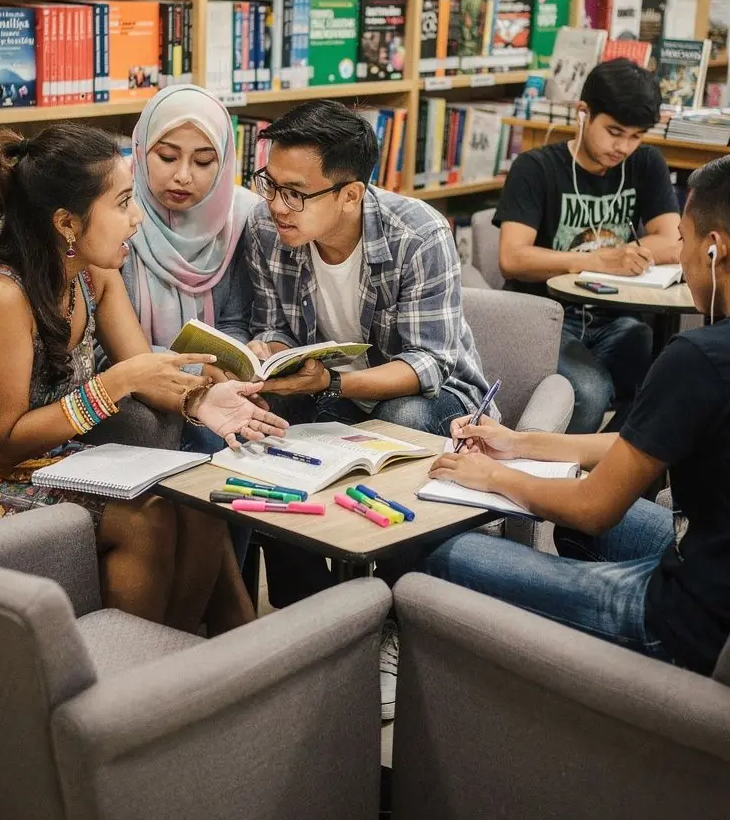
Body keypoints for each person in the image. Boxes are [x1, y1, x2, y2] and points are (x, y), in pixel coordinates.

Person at [0, 124, 286, 633]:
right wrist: (112, 385)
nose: (137, 218)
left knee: (200, 500)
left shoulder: (94, 274)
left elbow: (145, 372)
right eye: (124, 202)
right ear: (67, 223)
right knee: (145, 517)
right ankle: (131, 679)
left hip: (42, 462)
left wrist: (201, 399)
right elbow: (2, 444)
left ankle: (173, 665)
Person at [421, 153, 730, 676]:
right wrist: (521, 445)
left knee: (448, 558)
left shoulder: (696, 358)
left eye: (682, 240)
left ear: (714, 248)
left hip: (689, 620)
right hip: (709, 557)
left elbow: (593, 507)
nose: (680, 259)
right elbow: (646, 443)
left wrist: (493, 476)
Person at [245, 99, 491, 614]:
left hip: (433, 396)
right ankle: (312, 610)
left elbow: (429, 364)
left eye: (295, 193)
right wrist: (271, 354)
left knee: (403, 419)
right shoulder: (266, 230)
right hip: (326, 389)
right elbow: (272, 325)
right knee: (263, 428)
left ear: (351, 194)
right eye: (269, 183)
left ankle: (401, 607)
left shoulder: (418, 233)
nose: (276, 205)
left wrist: (331, 384)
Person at [494, 58, 680, 432]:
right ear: (583, 113)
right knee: (591, 392)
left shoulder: (645, 163)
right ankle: (561, 479)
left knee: (667, 387)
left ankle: (606, 476)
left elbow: (673, 242)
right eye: (614, 131)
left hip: (618, 315)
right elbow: (512, 258)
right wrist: (597, 260)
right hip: (547, 316)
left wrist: (627, 254)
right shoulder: (536, 167)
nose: (624, 147)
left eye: (636, 136)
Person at [124, 83, 257, 457]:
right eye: (167, 157)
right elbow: (104, 348)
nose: (184, 176)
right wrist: (197, 374)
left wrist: (240, 354)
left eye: (203, 162)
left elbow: (235, 320)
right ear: (140, 150)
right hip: (132, 378)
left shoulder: (241, 218)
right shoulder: (115, 218)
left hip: (214, 380)